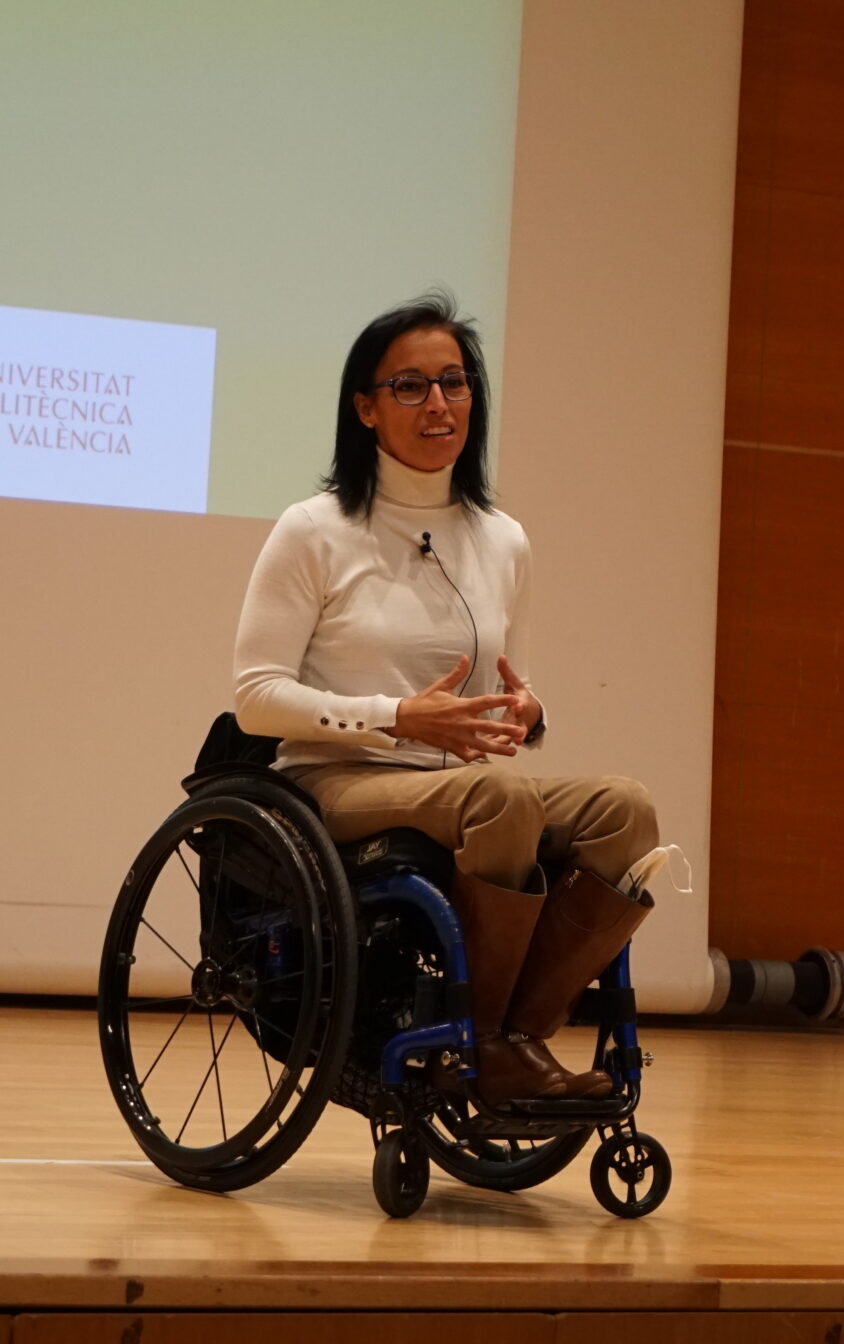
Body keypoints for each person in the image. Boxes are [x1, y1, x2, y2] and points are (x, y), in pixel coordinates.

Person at [231, 291, 659, 1104]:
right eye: (411, 386)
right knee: (500, 799)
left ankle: (511, 1036)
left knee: (625, 811)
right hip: (336, 779)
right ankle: (486, 1046)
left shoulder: (504, 539)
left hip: (458, 784)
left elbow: (504, 688)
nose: (438, 403)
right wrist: (396, 718)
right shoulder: (314, 530)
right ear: (366, 408)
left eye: (454, 383)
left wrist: (528, 714)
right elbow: (256, 698)